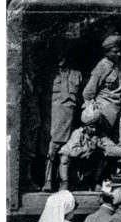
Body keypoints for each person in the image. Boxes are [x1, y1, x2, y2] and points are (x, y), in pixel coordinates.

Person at [43, 51, 83, 192]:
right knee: (51, 149)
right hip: (53, 117)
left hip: (70, 117)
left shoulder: (77, 74)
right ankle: (47, 180)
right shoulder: (49, 73)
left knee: (67, 149)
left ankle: (64, 182)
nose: (62, 58)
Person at [59, 107, 121, 190]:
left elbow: (117, 150)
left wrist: (102, 148)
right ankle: (65, 183)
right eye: (91, 127)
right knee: (65, 156)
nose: (94, 129)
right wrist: (89, 149)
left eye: (96, 126)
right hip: (75, 171)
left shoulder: (100, 135)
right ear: (85, 126)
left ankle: (95, 183)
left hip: (90, 172)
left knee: (102, 156)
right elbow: (71, 152)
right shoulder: (77, 134)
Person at [83, 33, 121, 129]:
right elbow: (87, 93)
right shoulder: (102, 67)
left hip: (118, 110)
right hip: (104, 114)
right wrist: (92, 113)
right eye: (115, 52)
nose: (119, 54)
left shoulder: (119, 64)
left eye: (119, 51)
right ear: (106, 53)